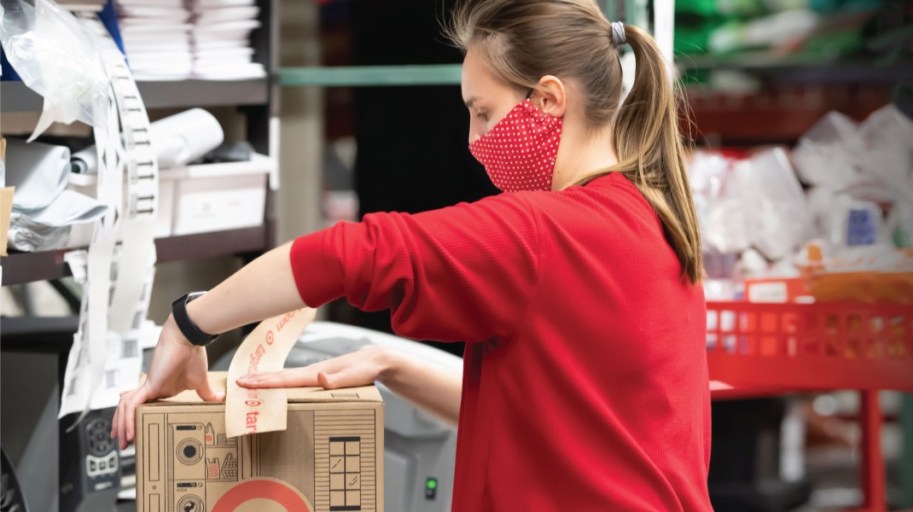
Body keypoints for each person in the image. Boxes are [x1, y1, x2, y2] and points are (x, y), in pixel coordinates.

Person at [113, 0, 711, 509]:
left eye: (484, 112)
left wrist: (188, 325)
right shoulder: (649, 219)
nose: (475, 141)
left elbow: (349, 255)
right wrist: (391, 366)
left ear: (549, 100)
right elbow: (551, 420)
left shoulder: (541, 232)